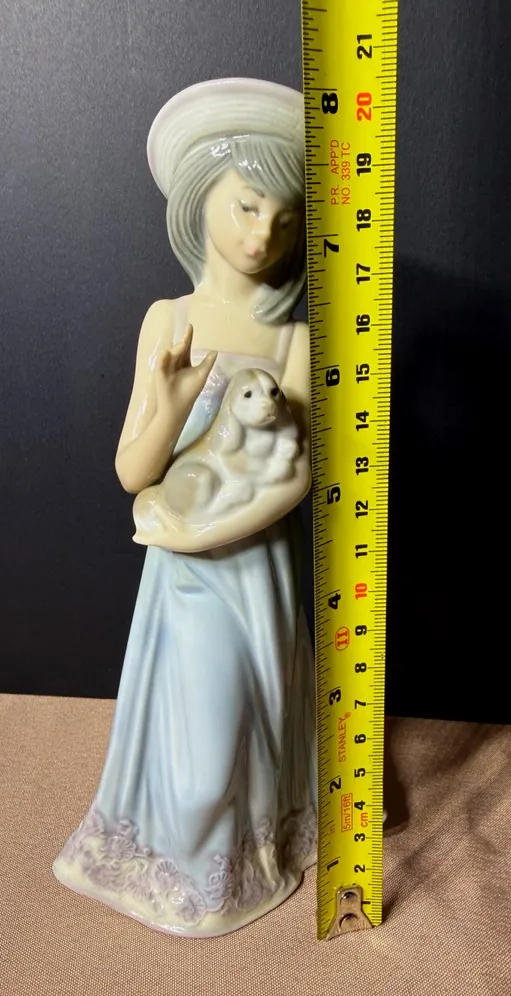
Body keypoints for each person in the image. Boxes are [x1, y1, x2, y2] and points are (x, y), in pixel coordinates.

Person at [53, 78, 316, 938]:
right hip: (184, 580)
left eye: (282, 219)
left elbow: (295, 479)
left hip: (253, 566)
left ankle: (246, 857)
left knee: (253, 727)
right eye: (246, 206)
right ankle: (185, 867)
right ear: (201, 199)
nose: (261, 233)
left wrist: (196, 527)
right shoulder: (167, 320)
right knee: (198, 756)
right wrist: (167, 408)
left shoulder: (295, 340)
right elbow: (133, 471)